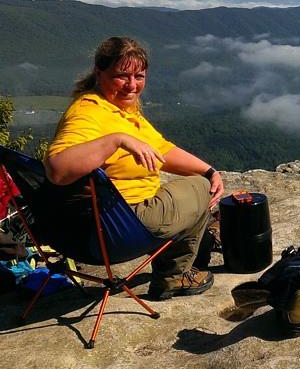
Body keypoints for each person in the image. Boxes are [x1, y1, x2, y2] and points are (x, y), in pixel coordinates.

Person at [45, 36, 223, 300]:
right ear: (99, 73)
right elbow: (57, 170)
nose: (132, 85)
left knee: (201, 179)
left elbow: (160, 148)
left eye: (139, 76)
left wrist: (209, 170)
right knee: (199, 188)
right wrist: (116, 139)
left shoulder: (118, 107)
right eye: (122, 76)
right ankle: (173, 277)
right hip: (119, 229)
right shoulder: (89, 113)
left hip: (100, 227)